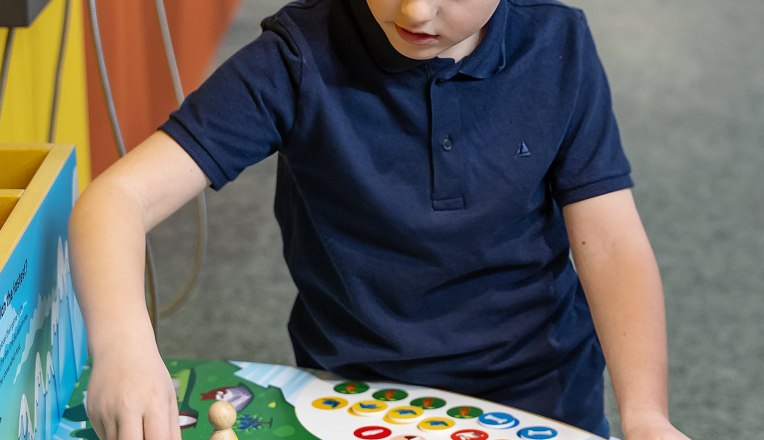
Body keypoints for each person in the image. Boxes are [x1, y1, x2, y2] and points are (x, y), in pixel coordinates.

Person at [68, 0, 691, 438]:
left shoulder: (560, 47)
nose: (415, 12)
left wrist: (645, 413)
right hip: (356, 395)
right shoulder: (297, 56)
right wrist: (124, 347)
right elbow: (116, 200)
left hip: (541, 396)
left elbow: (611, 243)